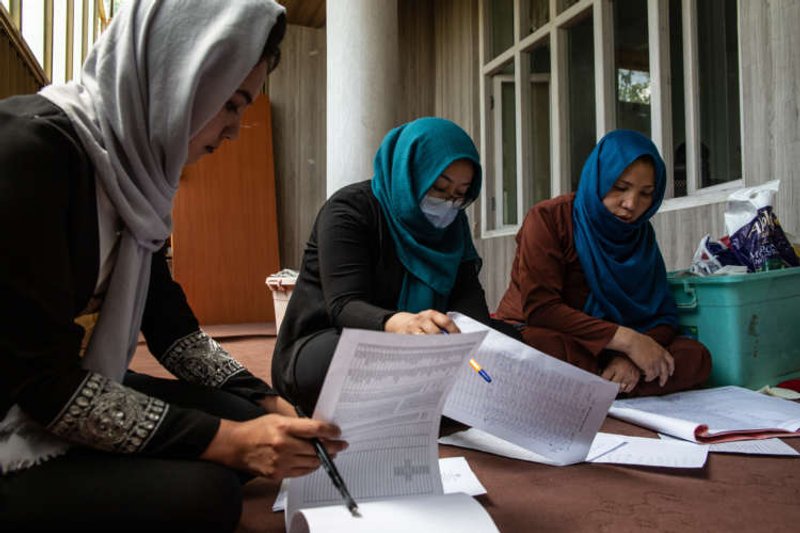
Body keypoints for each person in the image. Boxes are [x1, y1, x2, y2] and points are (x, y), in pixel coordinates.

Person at [0, 1, 345, 531]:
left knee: (251, 421)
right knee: (205, 494)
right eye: (230, 104)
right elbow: (38, 379)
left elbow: (171, 327)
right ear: (174, 75)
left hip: (69, 378)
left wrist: (265, 399)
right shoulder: (29, 153)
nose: (234, 131)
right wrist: (227, 444)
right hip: (20, 402)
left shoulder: (135, 177)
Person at [272, 117, 518, 414]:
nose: (447, 204)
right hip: (340, 336)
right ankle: (431, 399)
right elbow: (344, 305)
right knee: (337, 365)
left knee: (514, 346)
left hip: (426, 343)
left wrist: (470, 338)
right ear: (410, 174)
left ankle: (421, 397)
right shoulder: (349, 210)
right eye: (439, 188)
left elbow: (467, 293)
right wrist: (400, 323)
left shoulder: (454, 223)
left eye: (460, 194)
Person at [495, 129, 711, 396]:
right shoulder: (548, 218)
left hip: (611, 350)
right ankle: (609, 386)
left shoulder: (639, 234)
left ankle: (600, 386)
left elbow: (664, 316)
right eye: (620, 187)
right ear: (598, 178)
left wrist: (632, 356)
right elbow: (542, 309)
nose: (632, 204)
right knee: (542, 350)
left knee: (695, 356)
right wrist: (628, 341)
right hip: (550, 334)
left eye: (646, 194)